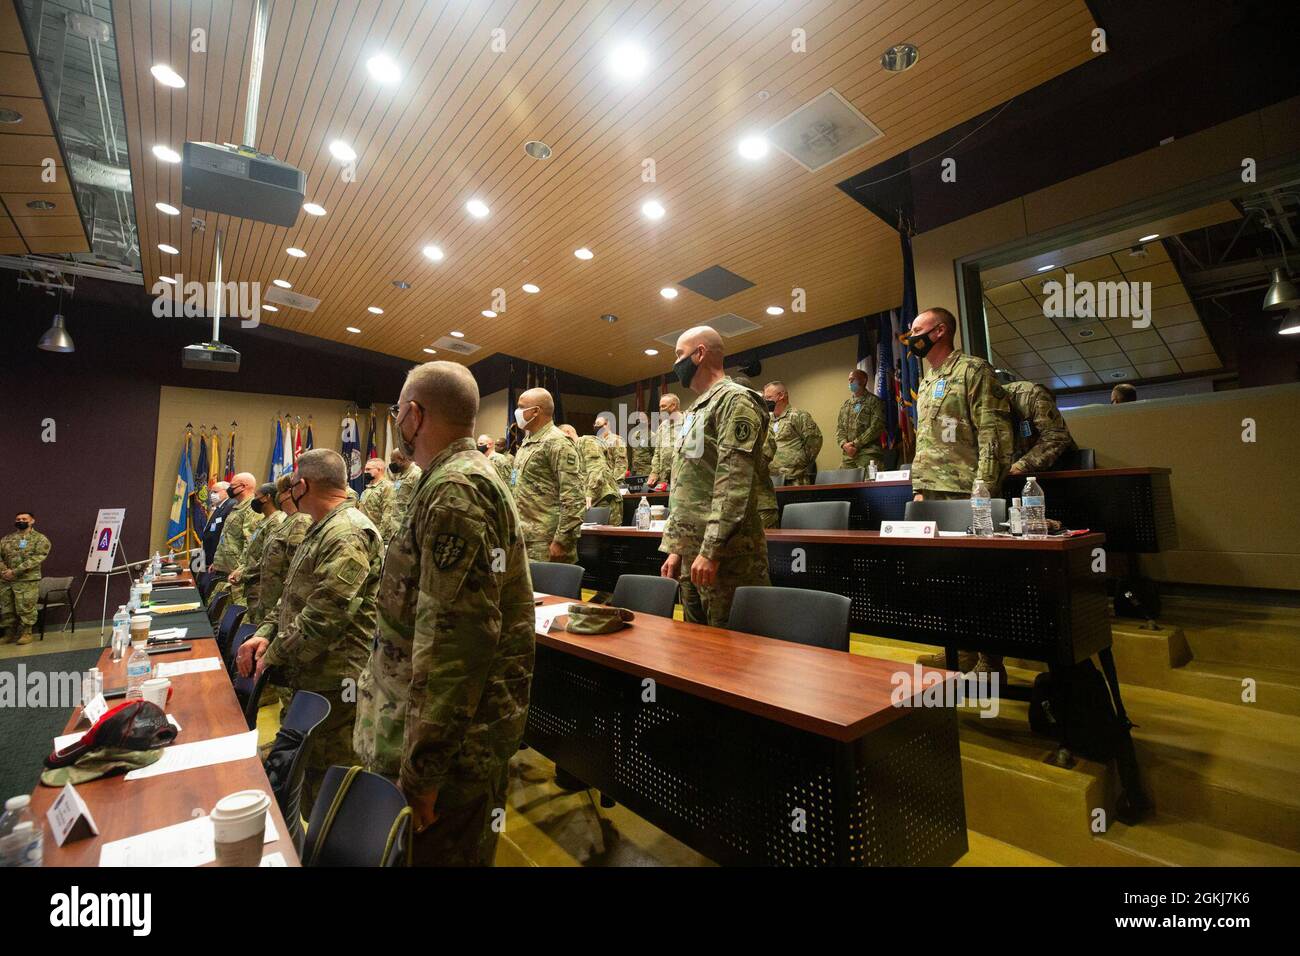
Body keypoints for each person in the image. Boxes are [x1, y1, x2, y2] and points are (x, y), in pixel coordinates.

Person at [355, 361, 535, 866]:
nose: (397, 422)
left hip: (451, 759)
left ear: (413, 414)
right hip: (432, 740)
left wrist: (423, 772)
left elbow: (454, 648)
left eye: (398, 412)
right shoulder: (447, 480)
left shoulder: (456, 489)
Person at [236, 449, 383, 808]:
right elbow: (292, 597)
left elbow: (324, 617)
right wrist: (265, 633)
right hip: (311, 673)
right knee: (307, 776)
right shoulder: (321, 528)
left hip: (336, 679)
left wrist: (270, 656)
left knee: (332, 784)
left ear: (302, 485)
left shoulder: (347, 532)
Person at [907, 307, 1013, 675]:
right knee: (944, 577)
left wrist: (983, 491)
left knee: (978, 577)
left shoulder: (973, 369)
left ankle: (990, 659)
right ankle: (960, 649)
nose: (910, 335)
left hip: (966, 491)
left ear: (938, 331)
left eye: (916, 329)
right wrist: (920, 489)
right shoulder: (926, 379)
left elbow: (992, 432)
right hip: (932, 491)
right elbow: (927, 439)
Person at [660, 326, 771, 626]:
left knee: (734, 655)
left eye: (679, 355)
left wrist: (711, 550)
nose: (675, 364)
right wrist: (676, 549)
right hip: (691, 554)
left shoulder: (736, 401)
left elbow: (732, 482)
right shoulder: (696, 409)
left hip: (726, 557)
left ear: (700, 353)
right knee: (696, 650)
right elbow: (686, 479)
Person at [512, 388, 584, 563]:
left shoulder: (557, 442)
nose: (517, 412)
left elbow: (574, 497)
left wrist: (562, 541)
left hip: (547, 540)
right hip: (524, 536)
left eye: (521, 407)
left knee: (548, 591)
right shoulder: (527, 442)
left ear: (536, 411)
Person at [247, 473, 312, 628]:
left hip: (281, 607)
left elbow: (295, 570)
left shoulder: (301, 521)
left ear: (289, 493)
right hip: (268, 601)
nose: (277, 497)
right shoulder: (286, 520)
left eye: (280, 492)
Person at [995, 371, 1077, 475]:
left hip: (1057, 469)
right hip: (1016, 473)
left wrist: (1022, 465)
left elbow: (1056, 436)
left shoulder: (1031, 394)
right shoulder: (976, 405)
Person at [226, 483, 282, 610]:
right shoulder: (264, 521)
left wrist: (242, 574)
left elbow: (267, 557)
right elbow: (252, 551)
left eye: (256, 496)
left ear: (267, 497)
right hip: (252, 582)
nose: (253, 500)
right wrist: (240, 569)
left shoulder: (276, 522)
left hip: (261, 584)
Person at [0, 512, 50, 646]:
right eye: (18, 519)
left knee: (26, 608)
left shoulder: (40, 539)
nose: (20, 521)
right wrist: (5, 571)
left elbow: (37, 558)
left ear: (32, 521)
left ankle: (26, 633)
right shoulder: (6, 539)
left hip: (27, 580)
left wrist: (15, 571)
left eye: (24, 519)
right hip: (6, 581)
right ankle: (9, 633)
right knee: (7, 608)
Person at [560, 424, 623, 526]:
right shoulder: (572, 451)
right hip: (589, 500)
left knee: (608, 539)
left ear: (568, 433)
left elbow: (597, 468)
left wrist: (590, 494)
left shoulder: (586, 442)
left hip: (603, 497)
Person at [763, 381, 823, 485]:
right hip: (773, 478)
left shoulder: (798, 416)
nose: (766, 401)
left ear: (781, 396)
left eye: (769, 398)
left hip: (795, 478)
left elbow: (814, 441)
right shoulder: (768, 420)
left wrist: (800, 463)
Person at [210, 473, 261, 588]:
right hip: (225, 569)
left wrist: (241, 570)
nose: (229, 489)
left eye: (232, 486)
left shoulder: (252, 508)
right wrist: (218, 562)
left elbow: (251, 544)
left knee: (236, 604)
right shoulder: (237, 507)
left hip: (237, 573)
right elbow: (228, 538)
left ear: (243, 486)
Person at [837, 368, 886, 470]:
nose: (850, 382)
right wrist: (844, 445)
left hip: (868, 453)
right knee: (841, 483)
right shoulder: (846, 405)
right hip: (849, 455)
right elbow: (840, 428)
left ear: (863, 381)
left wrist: (855, 444)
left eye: (853, 379)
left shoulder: (874, 401)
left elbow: (876, 427)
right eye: (849, 380)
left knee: (869, 483)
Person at [646, 393, 683, 490]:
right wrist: (654, 472)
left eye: (664, 406)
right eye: (660, 407)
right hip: (664, 479)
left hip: (681, 477)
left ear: (674, 405)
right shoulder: (662, 427)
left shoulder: (687, 422)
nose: (661, 409)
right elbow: (657, 452)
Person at [384, 447, 423, 540]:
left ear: (402, 459)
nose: (391, 464)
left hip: (407, 530)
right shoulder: (400, 475)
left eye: (393, 461)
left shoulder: (416, 474)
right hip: (395, 528)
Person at [200, 481, 233, 568]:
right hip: (210, 556)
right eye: (211, 492)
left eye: (215, 492)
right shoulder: (220, 506)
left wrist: (218, 560)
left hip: (218, 559)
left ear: (226, 492)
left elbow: (225, 535)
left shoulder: (231, 506)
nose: (212, 495)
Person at [358, 457, 394, 533]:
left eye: (368, 469)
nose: (365, 472)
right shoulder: (368, 487)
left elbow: (387, 515)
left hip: (377, 534)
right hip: (365, 532)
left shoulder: (387, 487)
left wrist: (379, 536)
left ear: (379, 469)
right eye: (365, 469)